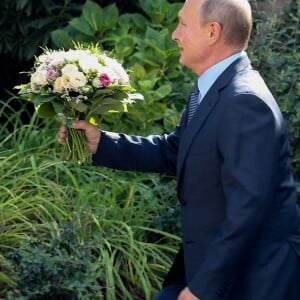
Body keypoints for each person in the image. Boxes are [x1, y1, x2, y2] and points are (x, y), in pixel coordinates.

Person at [58, 0, 300, 299]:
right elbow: (176, 150)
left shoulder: (244, 101)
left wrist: (203, 287)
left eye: (183, 24)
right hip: (211, 267)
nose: (174, 34)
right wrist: (102, 143)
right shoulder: (214, 88)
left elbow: (249, 207)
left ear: (213, 32)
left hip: (251, 278)